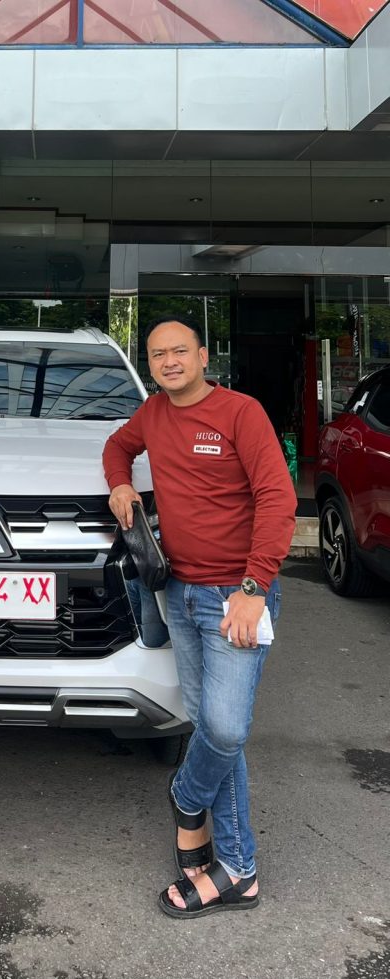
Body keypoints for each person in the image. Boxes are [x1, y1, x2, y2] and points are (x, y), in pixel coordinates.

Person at [103, 316, 296, 919]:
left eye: (179, 351)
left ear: (204, 356)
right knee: (209, 725)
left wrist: (254, 587)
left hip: (235, 596)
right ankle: (237, 869)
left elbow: (279, 498)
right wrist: (120, 485)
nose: (168, 362)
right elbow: (118, 447)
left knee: (226, 729)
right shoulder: (153, 413)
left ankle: (187, 797)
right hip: (178, 593)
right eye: (158, 354)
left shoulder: (240, 413)